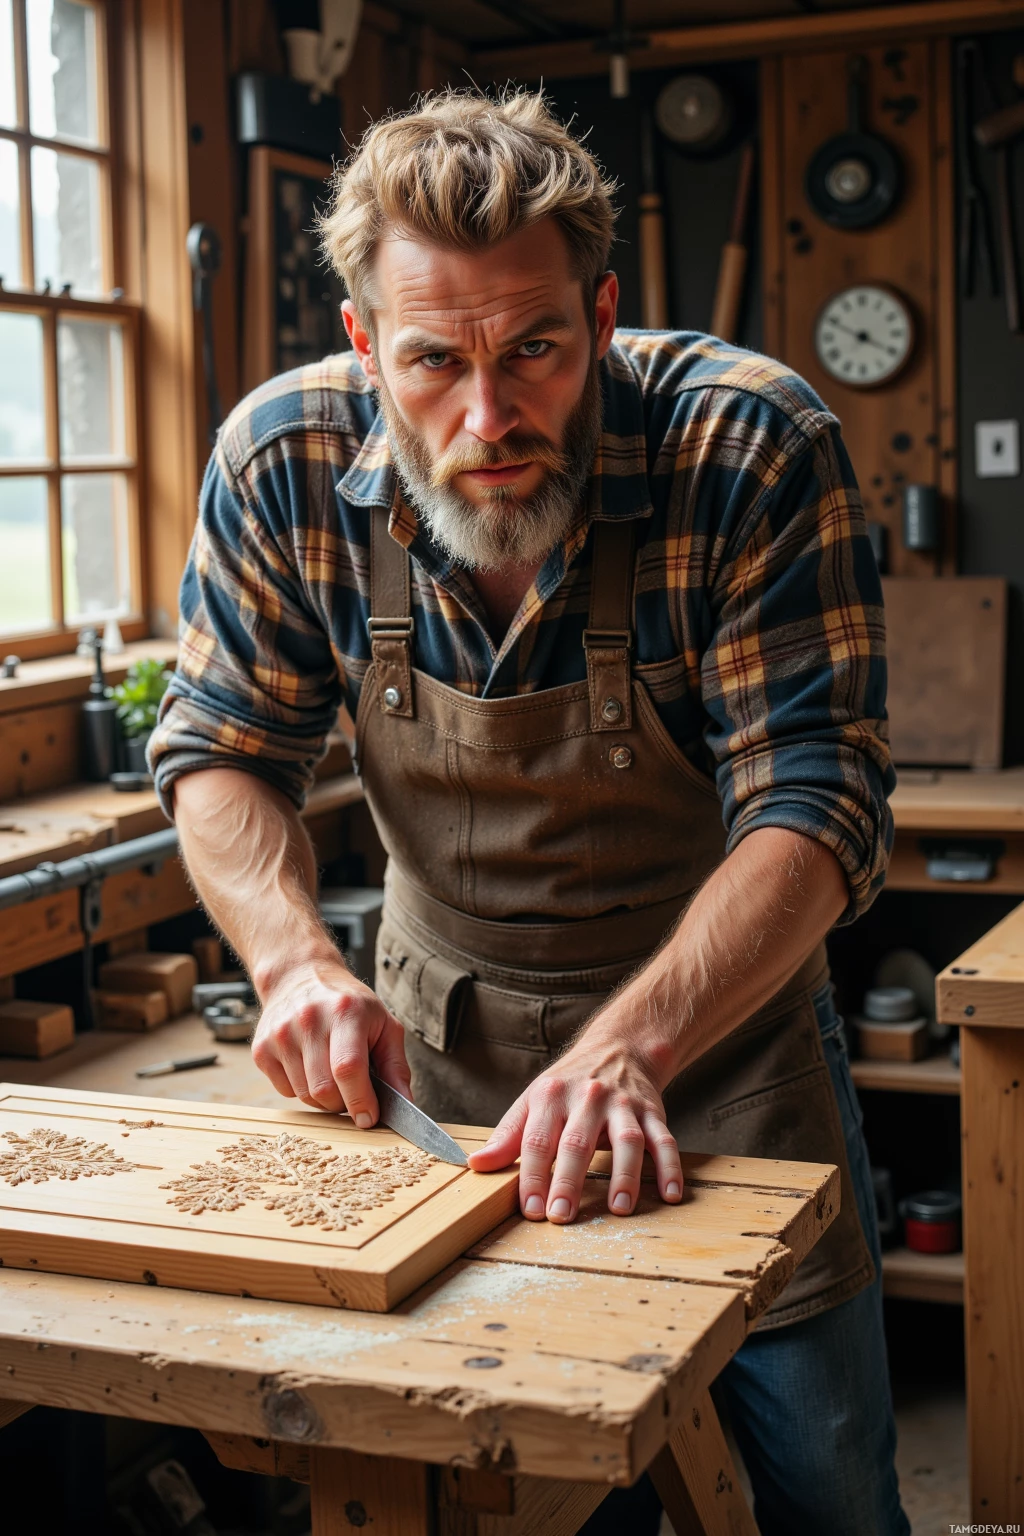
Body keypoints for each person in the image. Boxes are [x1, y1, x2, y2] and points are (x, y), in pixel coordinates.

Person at [150, 89, 908, 1535]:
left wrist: (631, 1046)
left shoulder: (744, 445)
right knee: (537, 1496)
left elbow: (817, 803)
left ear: (604, 313)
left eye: (539, 351)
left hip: (732, 1060)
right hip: (448, 1080)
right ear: (368, 342)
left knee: (828, 1488)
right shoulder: (284, 464)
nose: (489, 420)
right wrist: (297, 964)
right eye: (434, 362)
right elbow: (223, 746)